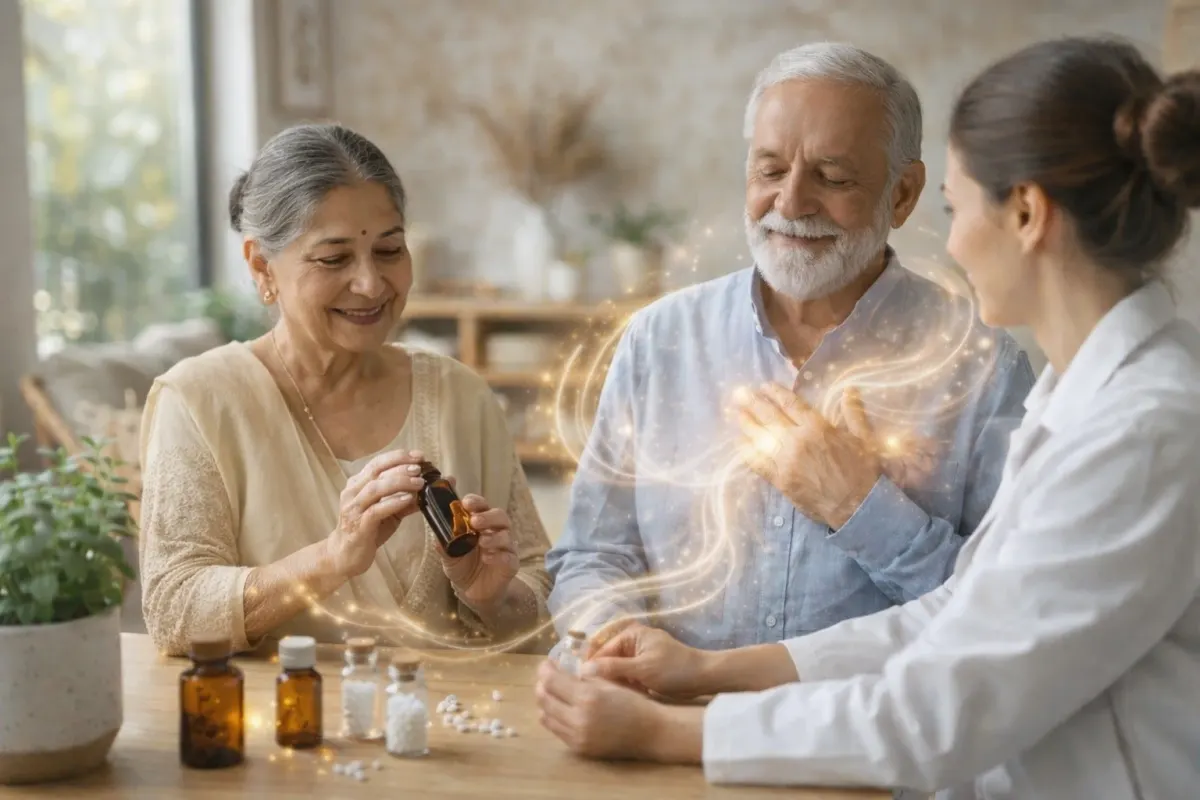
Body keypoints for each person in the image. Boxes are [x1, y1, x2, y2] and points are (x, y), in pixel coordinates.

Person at [534, 36, 1200, 799]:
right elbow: (960, 613)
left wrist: (670, 732)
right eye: (771, 168)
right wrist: (709, 671)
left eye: (953, 207)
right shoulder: (1083, 397)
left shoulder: (1143, 429)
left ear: (1025, 214)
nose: (948, 242)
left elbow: (936, 714)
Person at [546, 43, 1034, 649]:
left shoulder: (984, 367)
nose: (792, 204)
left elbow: (1009, 615)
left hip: (874, 739)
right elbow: (592, 558)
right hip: (666, 725)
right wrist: (611, 642)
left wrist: (858, 505)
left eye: (832, 177)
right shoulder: (660, 339)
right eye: (771, 170)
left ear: (903, 194)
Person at [139, 124, 553, 656]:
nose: (371, 284)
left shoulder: (460, 395)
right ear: (262, 267)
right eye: (334, 259)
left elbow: (541, 607)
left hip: (457, 728)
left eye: (389, 250)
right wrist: (333, 557)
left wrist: (493, 596)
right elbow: (174, 610)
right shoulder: (199, 401)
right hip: (289, 729)